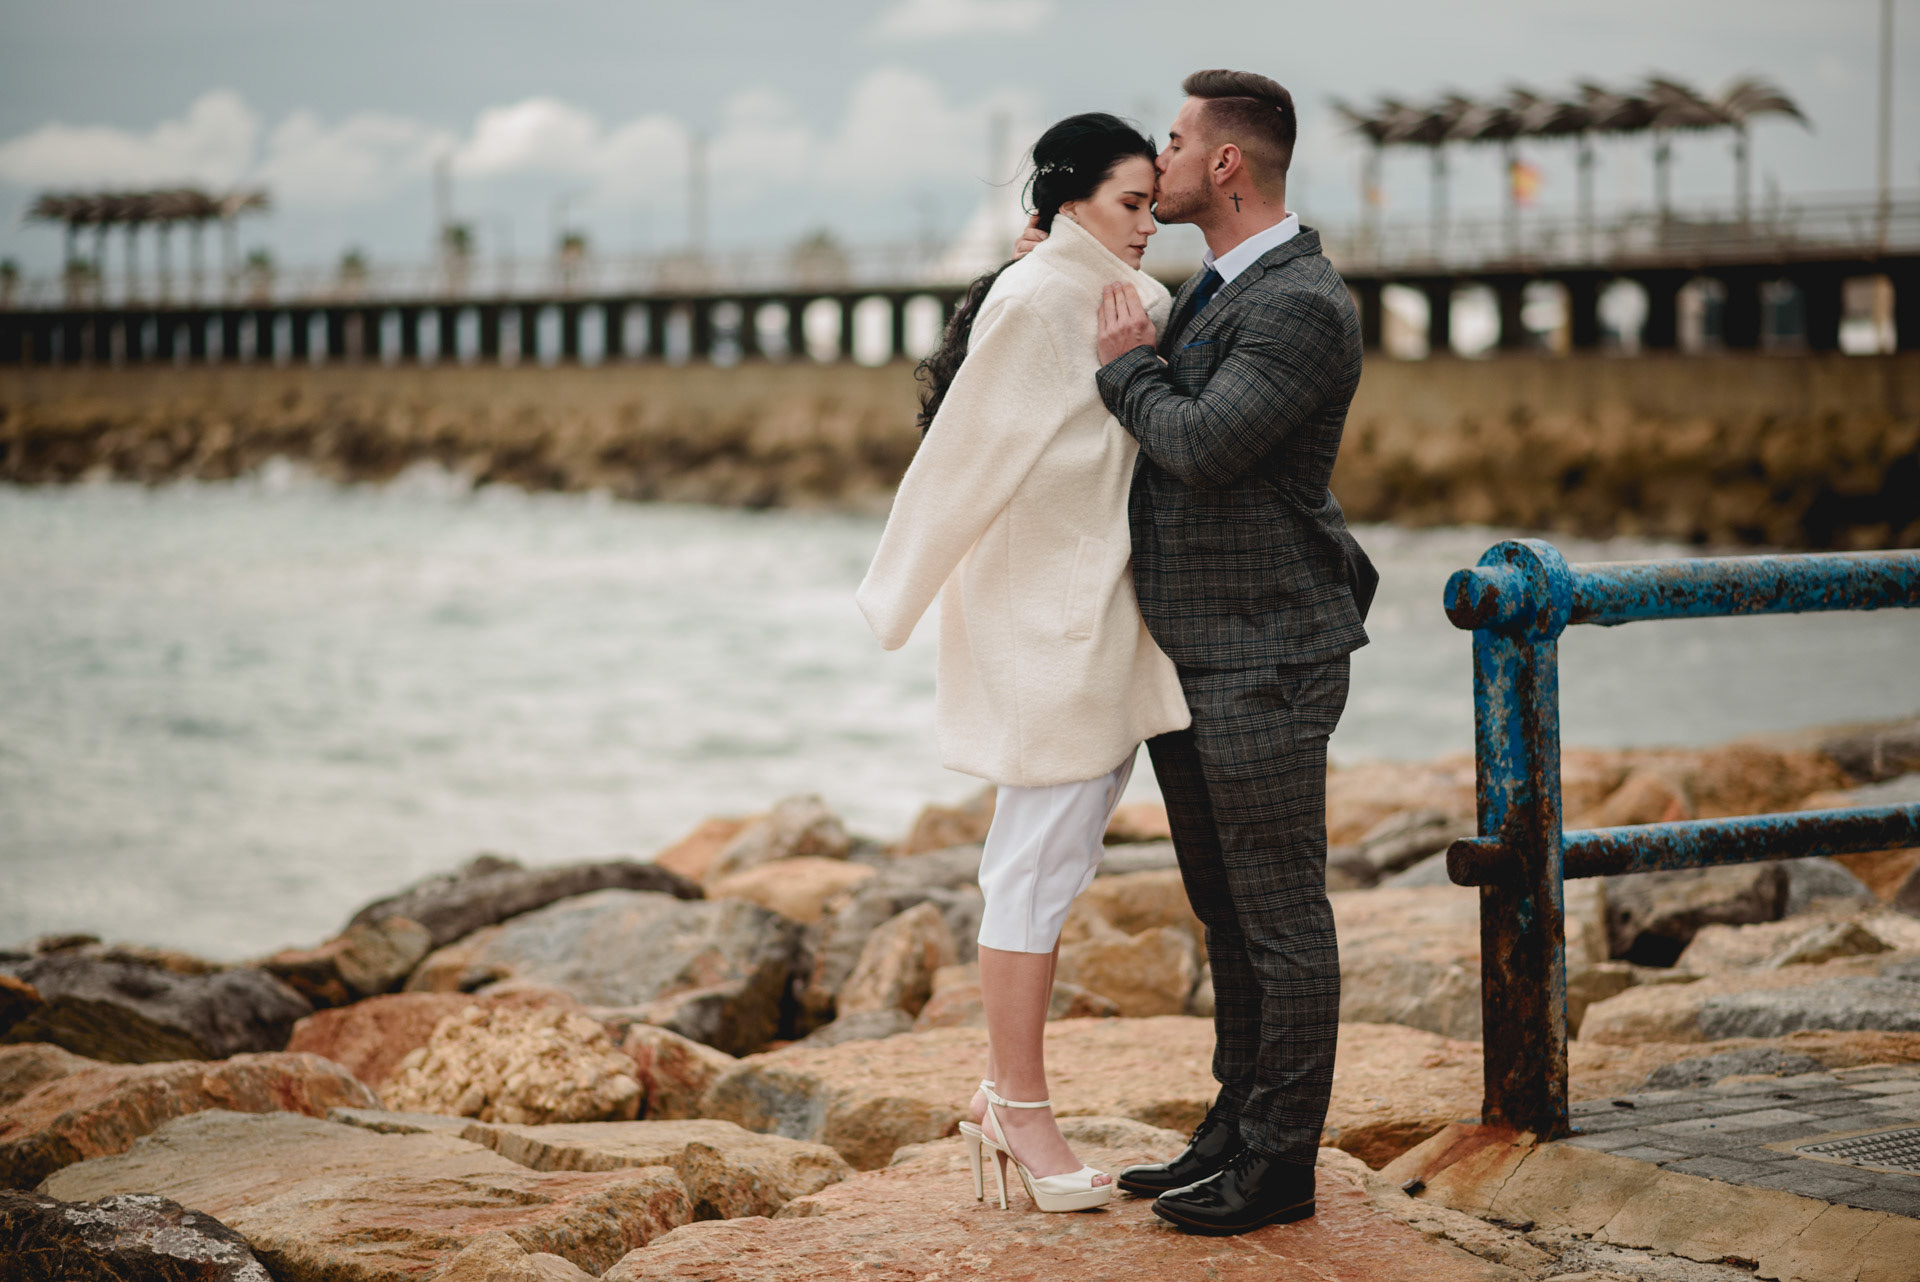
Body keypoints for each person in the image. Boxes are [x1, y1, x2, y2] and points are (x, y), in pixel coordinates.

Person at [1017, 68, 1375, 1236]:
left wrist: (1126, 368)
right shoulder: (1218, 287)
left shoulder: (1301, 300)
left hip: (1267, 646)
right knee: (1225, 908)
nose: (1156, 160)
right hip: (1201, 648)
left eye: (1172, 142)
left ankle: (1281, 1165)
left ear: (1225, 164)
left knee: (1278, 912)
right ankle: (1233, 1127)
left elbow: (1205, 444)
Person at [857, 113, 1190, 1214]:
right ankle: (1017, 1107)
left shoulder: (1112, 296)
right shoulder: (1042, 293)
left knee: (1054, 857)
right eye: (1130, 203)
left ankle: (1013, 1099)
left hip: (1098, 618)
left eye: (1153, 203)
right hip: (1047, 625)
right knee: (1034, 866)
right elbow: (964, 452)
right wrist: (893, 596)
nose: (1149, 224)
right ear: (1068, 197)